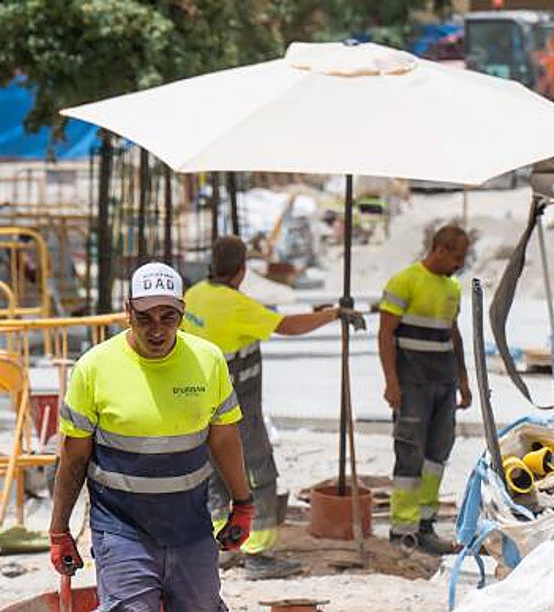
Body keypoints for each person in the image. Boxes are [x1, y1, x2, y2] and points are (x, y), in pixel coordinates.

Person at [49, 262, 253, 612]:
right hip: (121, 527)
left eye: (170, 317)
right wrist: (59, 531)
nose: (158, 329)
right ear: (128, 314)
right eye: (146, 318)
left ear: (183, 315)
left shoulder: (207, 362)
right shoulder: (96, 368)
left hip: (189, 527)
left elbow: (225, 440)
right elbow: (73, 458)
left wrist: (243, 503)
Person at [183, 235, 364, 578]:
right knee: (256, 476)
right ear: (242, 270)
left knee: (216, 477)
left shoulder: (194, 297)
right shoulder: (236, 307)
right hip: (235, 409)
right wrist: (334, 314)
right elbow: (287, 327)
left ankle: (225, 547)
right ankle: (258, 554)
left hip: (196, 405)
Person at [377, 225, 473, 555]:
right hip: (412, 383)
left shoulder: (452, 287)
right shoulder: (405, 281)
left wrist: (463, 380)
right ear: (440, 250)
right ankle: (402, 529)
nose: (460, 264)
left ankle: (425, 524)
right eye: (457, 257)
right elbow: (385, 334)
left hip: (443, 383)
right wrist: (391, 382)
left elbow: (453, 334)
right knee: (409, 454)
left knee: (436, 456)